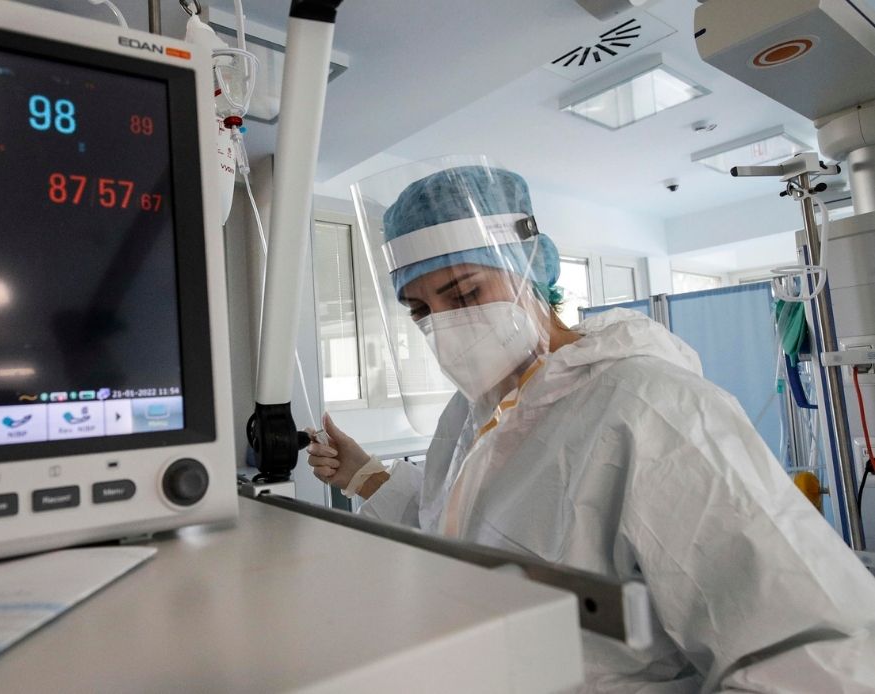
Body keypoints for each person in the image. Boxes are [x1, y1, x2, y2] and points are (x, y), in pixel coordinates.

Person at [309, 159, 875, 691]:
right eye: (420, 311)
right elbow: (457, 536)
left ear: (531, 268)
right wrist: (365, 477)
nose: (444, 324)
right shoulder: (469, 415)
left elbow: (817, 656)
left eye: (465, 293)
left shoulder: (654, 408)